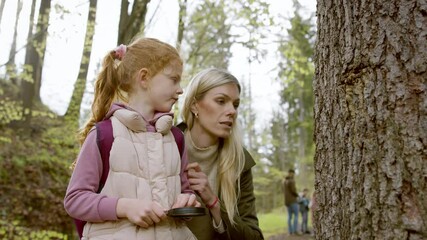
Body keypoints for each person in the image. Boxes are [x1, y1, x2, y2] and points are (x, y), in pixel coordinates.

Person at [64, 37, 199, 240]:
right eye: (174, 79)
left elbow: (185, 189)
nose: (180, 89)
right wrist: (124, 207)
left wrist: (188, 200)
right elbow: (75, 200)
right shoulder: (104, 135)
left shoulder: (176, 138)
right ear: (144, 78)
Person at [178, 68, 264, 239]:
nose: (232, 111)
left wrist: (214, 204)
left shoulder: (240, 163)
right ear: (195, 105)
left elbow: (254, 236)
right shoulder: (162, 145)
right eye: (221, 101)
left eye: (235, 104)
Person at [283, 169, 299, 235]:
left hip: (287, 201)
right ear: (291, 173)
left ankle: (290, 231)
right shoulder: (291, 181)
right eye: (293, 173)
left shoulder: (284, 181)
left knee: (289, 216)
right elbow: (293, 191)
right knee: (296, 215)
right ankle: (295, 231)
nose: (293, 175)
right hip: (293, 201)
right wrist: (298, 195)